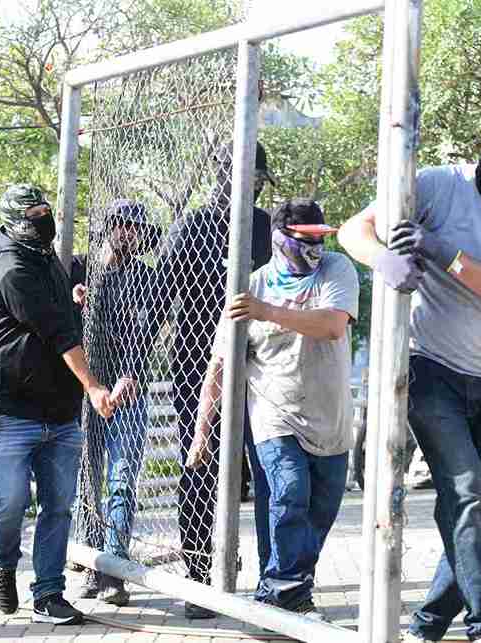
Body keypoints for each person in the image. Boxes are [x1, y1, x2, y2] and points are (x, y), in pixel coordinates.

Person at [338, 117, 481, 642]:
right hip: (429, 366)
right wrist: (382, 259)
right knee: (464, 492)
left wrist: (443, 251)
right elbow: (354, 229)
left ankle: (427, 625)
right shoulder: (442, 185)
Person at [187, 198, 359, 620]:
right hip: (274, 415)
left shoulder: (337, 271)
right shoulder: (251, 288)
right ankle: (290, 596)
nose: (315, 248)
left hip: (330, 418)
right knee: (288, 494)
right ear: (281, 240)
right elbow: (220, 366)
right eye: (306, 240)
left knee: (320, 512)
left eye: (321, 238)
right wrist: (201, 433)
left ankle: (278, 591)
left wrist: (267, 313)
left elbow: (332, 326)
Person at [0, 184, 116, 626]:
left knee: (58, 506)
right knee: (9, 504)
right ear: (14, 221)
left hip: (58, 408)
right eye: (34, 214)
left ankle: (48, 593)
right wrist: (93, 387)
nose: (44, 220)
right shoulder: (11, 266)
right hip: (11, 407)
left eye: (45, 211)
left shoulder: (42, 254)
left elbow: (58, 314)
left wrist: (72, 298)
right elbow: (57, 332)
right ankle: (2, 564)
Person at [154, 141, 275, 619]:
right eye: (243, 175)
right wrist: (135, 362)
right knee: (201, 465)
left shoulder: (267, 226)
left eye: (257, 178)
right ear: (220, 175)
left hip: (263, 362)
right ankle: (199, 576)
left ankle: (277, 578)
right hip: (197, 361)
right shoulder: (194, 224)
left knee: (268, 467)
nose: (250, 185)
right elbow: (161, 295)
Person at [69, 199, 162, 606]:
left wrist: (131, 376)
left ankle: (112, 570)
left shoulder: (147, 277)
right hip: (87, 391)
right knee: (87, 482)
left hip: (127, 391)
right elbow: (61, 331)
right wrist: (76, 302)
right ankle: (92, 564)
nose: (129, 232)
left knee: (121, 482)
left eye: (136, 227)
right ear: (109, 227)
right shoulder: (81, 270)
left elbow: (147, 336)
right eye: (122, 225)